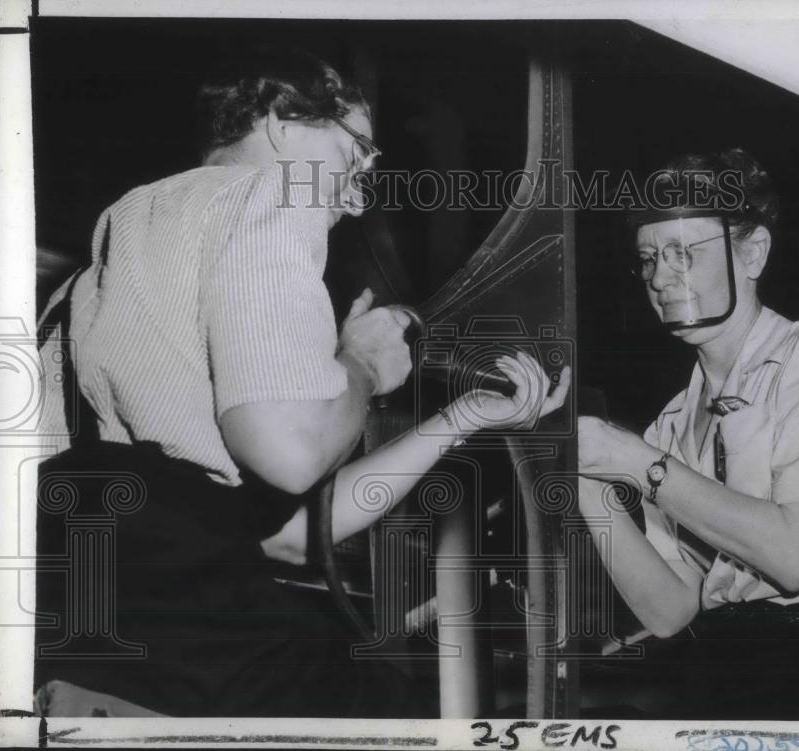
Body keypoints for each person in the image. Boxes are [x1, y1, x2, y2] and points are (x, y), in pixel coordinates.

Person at [34, 48, 569, 717]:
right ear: (283, 123)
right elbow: (290, 453)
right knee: (410, 715)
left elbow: (286, 533)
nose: (363, 178)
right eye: (357, 150)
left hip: (79, 609)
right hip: (182, 612)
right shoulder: (274, 195)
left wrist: (464, 416)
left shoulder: (104, 262)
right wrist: (366, 367)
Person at [576, 149, 799, 718]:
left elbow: (794, 556)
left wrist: (637, 464)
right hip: (723, 667)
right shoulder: (674, 424)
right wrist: (584, 478)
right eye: (649, 258)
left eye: (683, 251)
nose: (659, 276)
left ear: (751, 252)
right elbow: (670, 610)